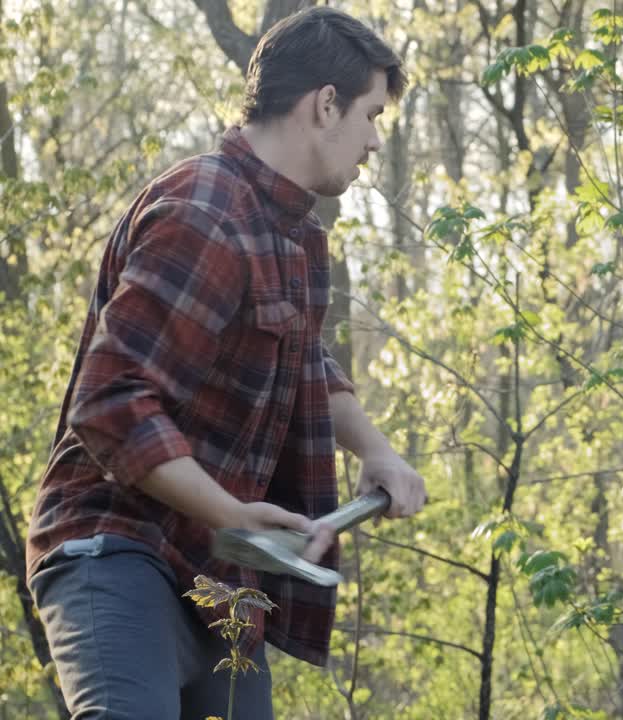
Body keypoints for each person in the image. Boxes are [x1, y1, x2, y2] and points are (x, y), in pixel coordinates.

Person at [24, 7, 426, 718]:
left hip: (212, 579)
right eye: (369, 114)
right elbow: (110, 404)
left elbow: (309, 361)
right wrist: (233, 514)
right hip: (117, 552)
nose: (372, 141)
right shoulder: (202, 213)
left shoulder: (295, 238)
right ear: (324, 104)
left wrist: (379, 452)